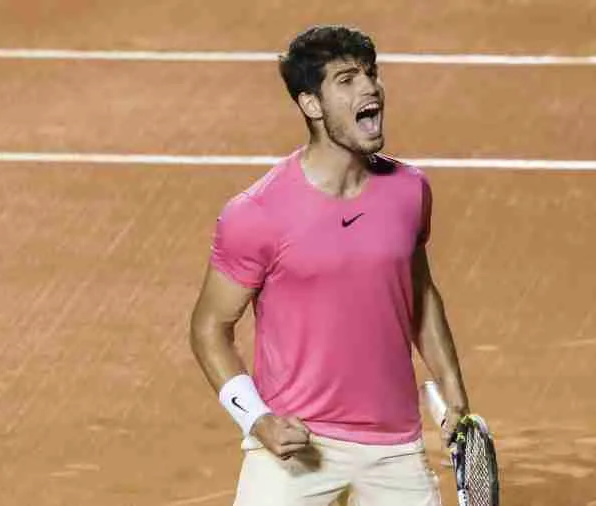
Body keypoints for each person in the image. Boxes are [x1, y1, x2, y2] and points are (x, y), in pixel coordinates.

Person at [189, 24, 470, 506]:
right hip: (296, 445)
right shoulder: (257, 214)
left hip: (394, 448)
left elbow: (419, 291)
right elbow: (209, 327)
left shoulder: (409, 191)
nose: (370, 87)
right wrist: (256, 419)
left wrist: (451, 383)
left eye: (371, 73)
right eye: (346, 79)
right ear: (311, 105)